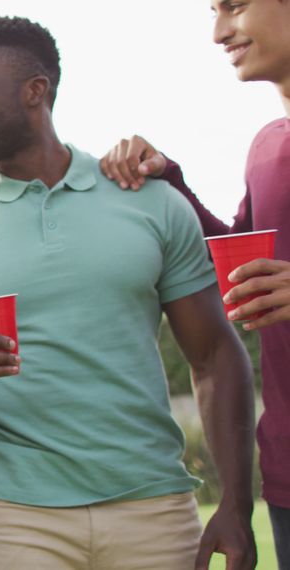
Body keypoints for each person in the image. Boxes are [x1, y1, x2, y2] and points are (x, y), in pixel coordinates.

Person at [0, 16, 257, 569]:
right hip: (17, 520)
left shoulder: (149, 201)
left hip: (156, 510)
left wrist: (235, 504)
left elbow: (213, 356)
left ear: (35, 91)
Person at [99, 2, 290, 565]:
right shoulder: (268, 146)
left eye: (236, 6)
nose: (218, 32)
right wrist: (170, 180)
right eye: (213, 10)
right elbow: (230, 270)